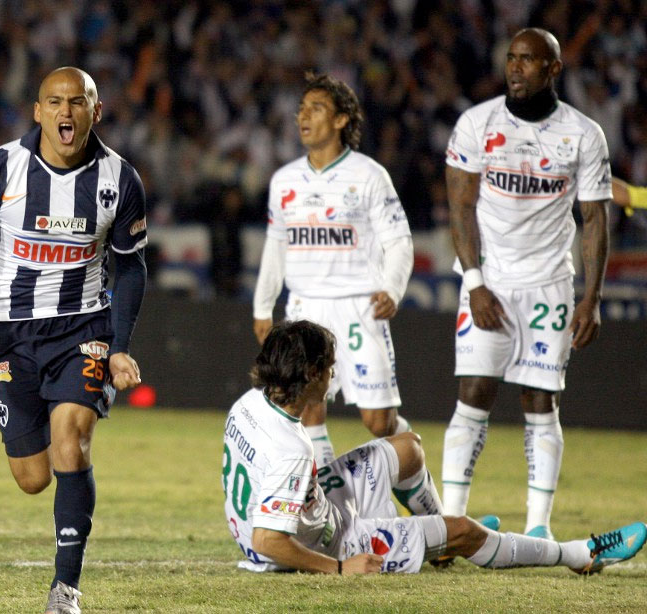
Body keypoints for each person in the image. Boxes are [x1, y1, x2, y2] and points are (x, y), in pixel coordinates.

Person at [0, 67, 148, 614]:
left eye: (78, 102)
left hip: (82, 326)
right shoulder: (0, 168)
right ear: (37, 111)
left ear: (97, 110)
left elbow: (131, 269)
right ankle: (42, 419)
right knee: (33, 477)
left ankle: (65, 590)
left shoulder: (121, 179)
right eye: (55, 102)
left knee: (72, 442)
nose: (66, 112)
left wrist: (118, 346)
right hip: (6, 334)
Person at [222, 320, 646, 575]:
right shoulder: (291, 449)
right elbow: (268, 539)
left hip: (311, 513)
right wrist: (338, 568)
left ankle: (437, 542)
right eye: (330, 367)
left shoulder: (248, 403)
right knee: (463, 531)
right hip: (329, 543)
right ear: (311, 373)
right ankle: (579, 553)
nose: (334, 374)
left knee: (408, 448)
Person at [441, 28, 611, 539]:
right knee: (473, 392)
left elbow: (595, 219)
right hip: (489, 280)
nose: (515, 68)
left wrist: (592, 297)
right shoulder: (477, 123)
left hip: (548, 284)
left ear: (553, 68)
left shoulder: (583, 134)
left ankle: (538, 529)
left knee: (541, 400)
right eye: (511, 58)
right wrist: (474, 282)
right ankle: (453, 520)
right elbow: (460, 207)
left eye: (528, 60)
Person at [252, 72, 414, 466]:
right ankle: (328, 507)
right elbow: (276, 246)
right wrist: (263, 307)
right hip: (305, 307)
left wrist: (392, 289)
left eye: (317, 108)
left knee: (378, 422)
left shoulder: (369, 176)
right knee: (306, 409)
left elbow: (399, 242)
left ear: (342, 120)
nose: (303, 116)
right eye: (301, 109)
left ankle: (415, 469)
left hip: (359, 307)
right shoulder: (285, 180)